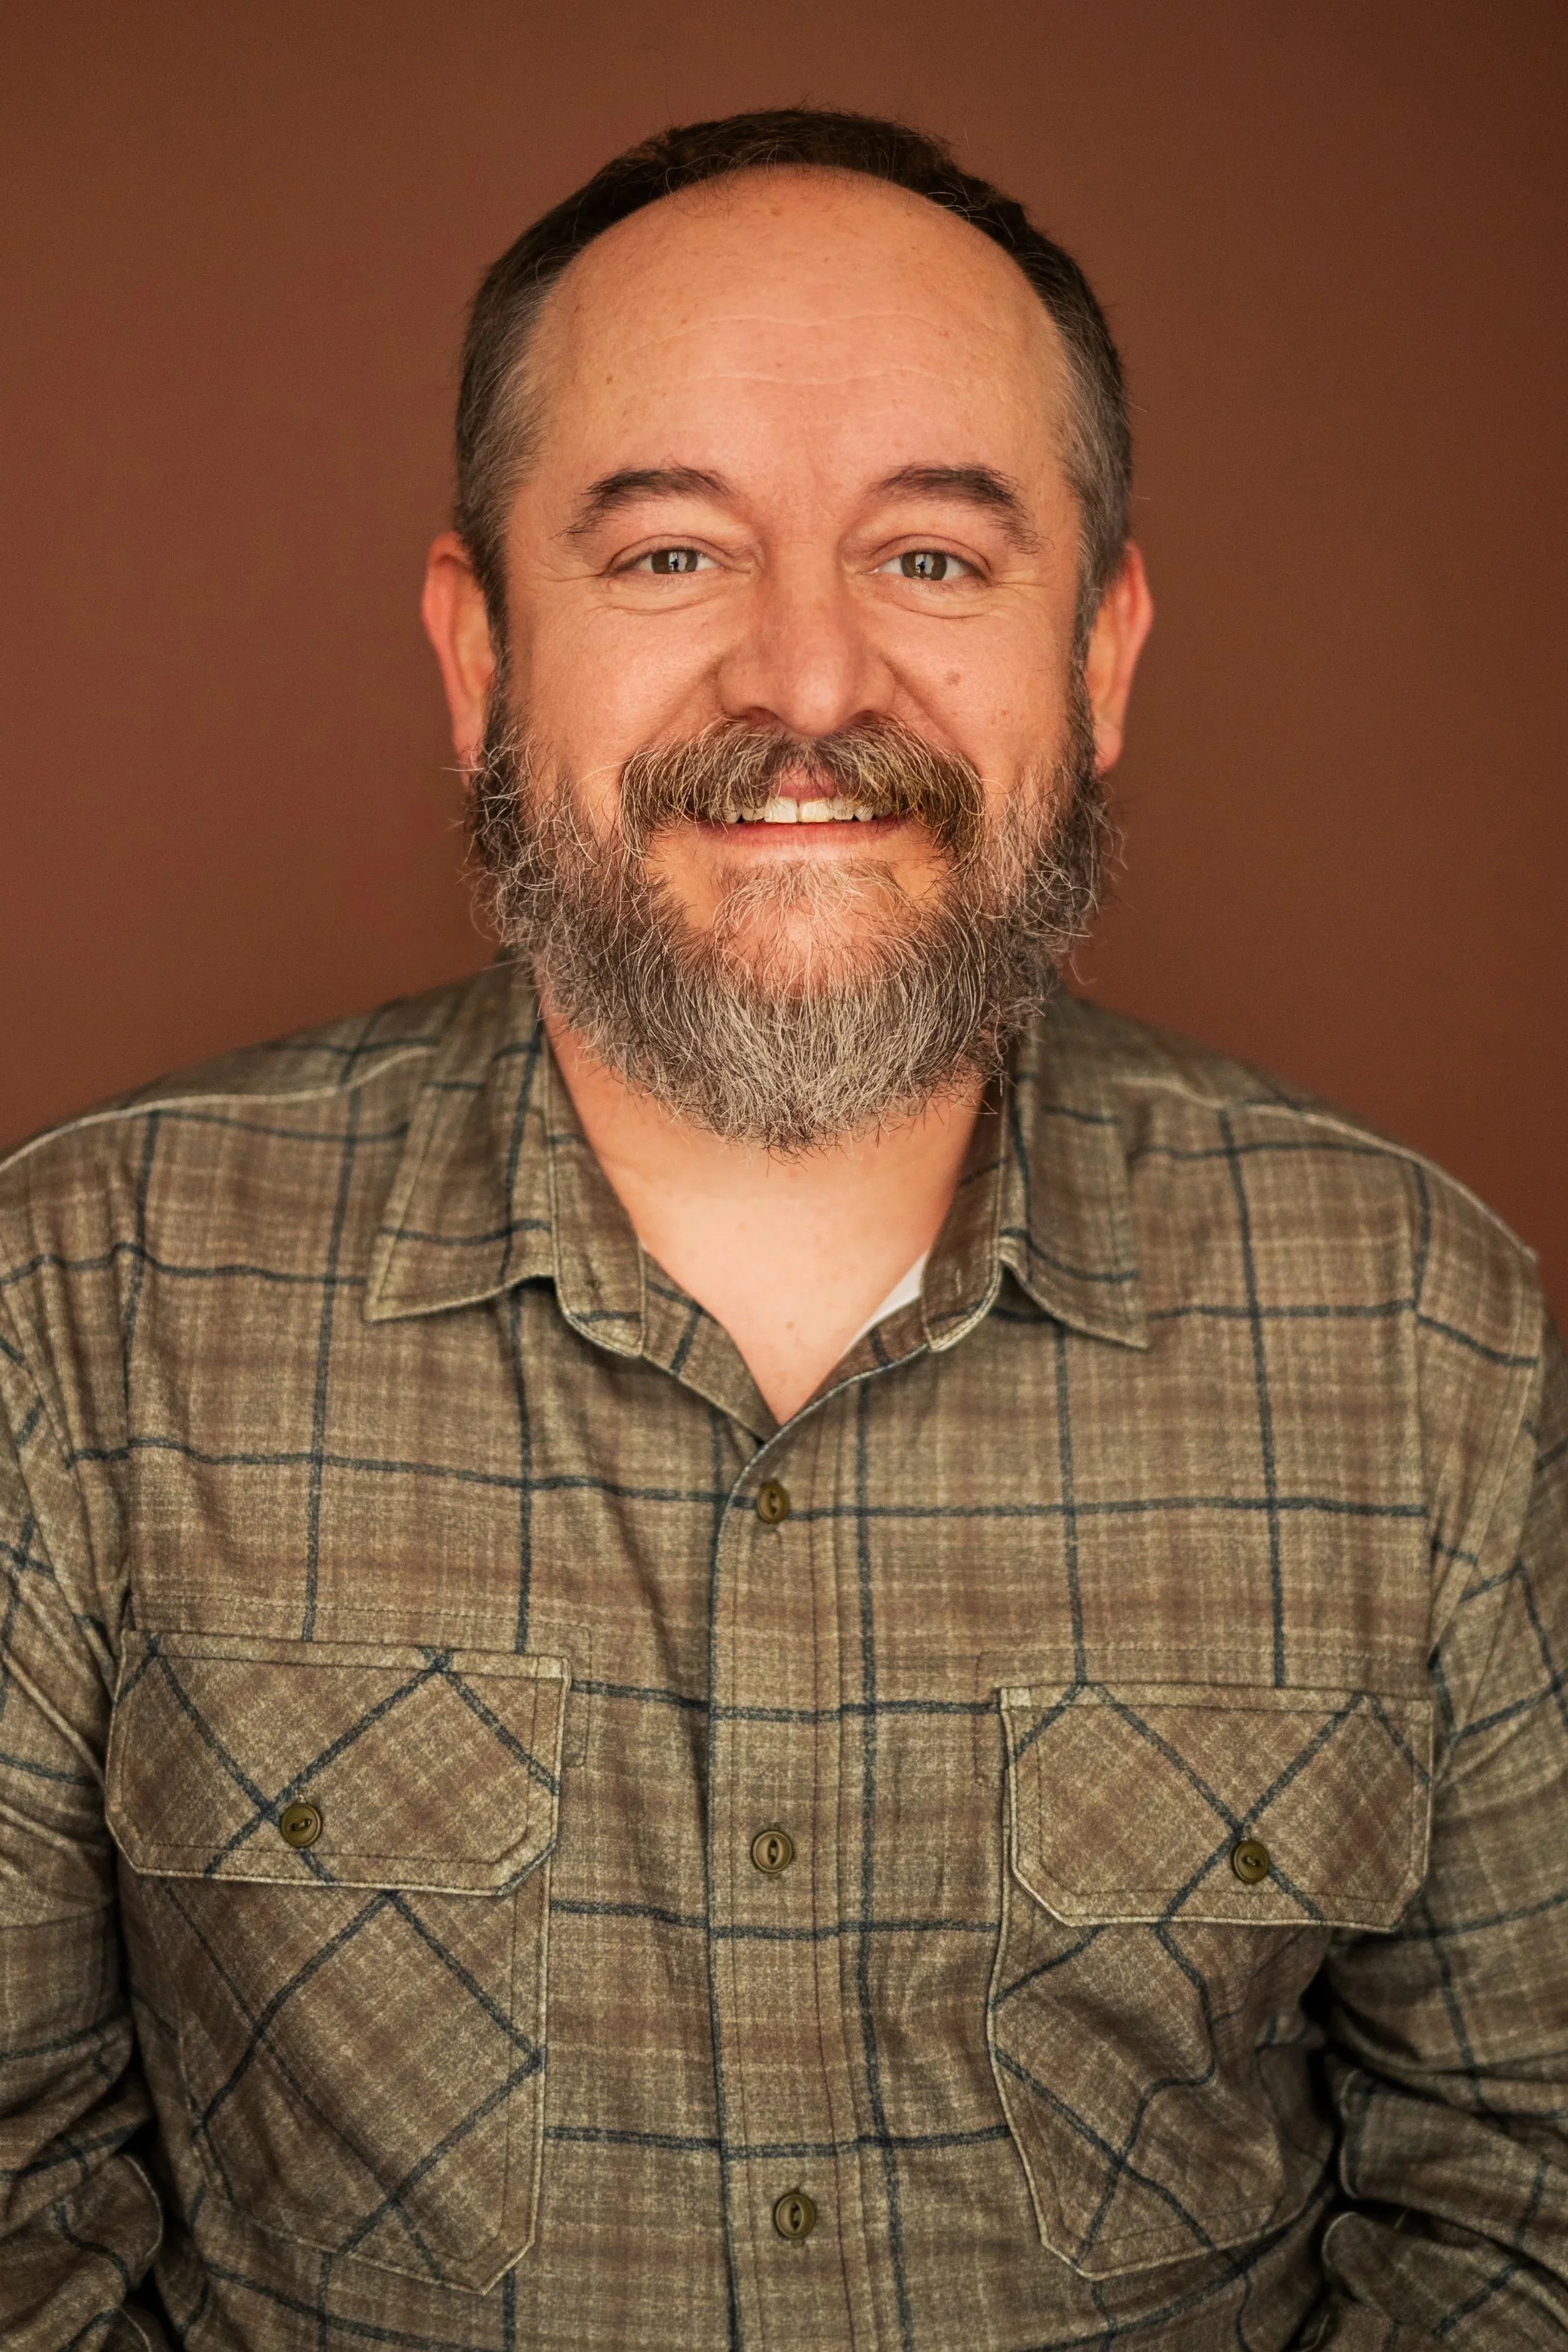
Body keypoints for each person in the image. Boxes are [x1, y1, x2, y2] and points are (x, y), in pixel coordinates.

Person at [1, 107, 1563, 2352]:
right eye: (666, 560)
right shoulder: (79, 1303)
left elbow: (1514, 2198)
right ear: (480, 653)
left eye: (932, 558)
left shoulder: (1418, 1331)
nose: (811, 684)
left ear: (1100, 654)